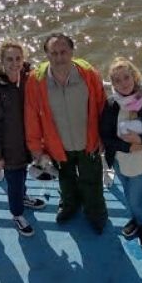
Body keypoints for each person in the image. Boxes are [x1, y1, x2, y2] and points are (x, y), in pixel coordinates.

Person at [24, 33, 108, 233]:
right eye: (54, 53)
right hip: (57, 145)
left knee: (92, 180)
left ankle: (95, 212)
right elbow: (31, 116)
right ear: (46, 55)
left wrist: (104, 137)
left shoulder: (89, 74)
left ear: (72, 52)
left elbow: (102, 106)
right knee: (65, 179)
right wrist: (36, 148)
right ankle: (69, 206)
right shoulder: (36, 81)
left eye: (63, 52)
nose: (59, 57)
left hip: (88, 142)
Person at [100, 58, 142, 248]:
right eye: (117, 80)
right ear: (112, 84)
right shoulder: (111, 104)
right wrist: (127, 147)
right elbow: (105, 135)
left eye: (126, 77)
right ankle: (135, 219)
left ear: (135, 76)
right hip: (120, 161)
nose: (123, 83)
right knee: (129, 193)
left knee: (134, 198)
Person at [0, 43, 45, 238]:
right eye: (9, 59)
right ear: (1, 61)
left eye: (18, 58)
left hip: (27, 142)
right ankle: (17, 214)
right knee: (14, 181)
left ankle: (23, 198)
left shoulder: (27, 78)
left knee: (23, 176)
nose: (14, 63)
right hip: (9, 147)